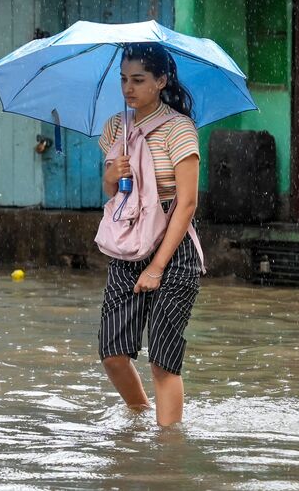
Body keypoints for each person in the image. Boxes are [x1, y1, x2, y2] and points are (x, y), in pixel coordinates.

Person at [97, 42, 202, 427]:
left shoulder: (179, 130)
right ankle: (140, 418)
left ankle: (168, 451)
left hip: (174, 249)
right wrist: (111, 173)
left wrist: (157, 267)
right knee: (112, 353)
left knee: (162, 359)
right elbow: (113, 193)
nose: (128, 88)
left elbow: (188, 203)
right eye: (124, 79)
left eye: (138, 80)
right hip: (129, 243)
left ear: (161, 80)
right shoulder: (115, 129)